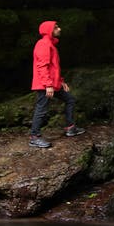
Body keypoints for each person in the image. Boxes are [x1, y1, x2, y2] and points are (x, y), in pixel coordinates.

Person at [29, 20, 85, 148]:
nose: (59, 29)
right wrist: (48, 84)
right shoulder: (43, 44)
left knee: (70, 99)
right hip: (45, 84)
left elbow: (54, 68)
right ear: (49, 31)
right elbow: (42, 66)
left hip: (53, 84)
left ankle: (70, 128)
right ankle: (34, 137)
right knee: (41, 109)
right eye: (56, 27)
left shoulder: (51, 45)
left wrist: (61, 81)